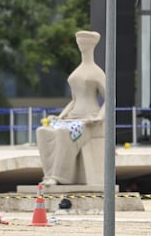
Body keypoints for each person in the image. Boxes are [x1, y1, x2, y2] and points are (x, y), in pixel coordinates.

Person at [36, 30, 105, 186]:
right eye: (79, 42)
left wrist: (99, 117)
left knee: (63, 132)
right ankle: (49, 174)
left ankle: (59, 177)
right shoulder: (77, 71)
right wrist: (60, 116)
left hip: (88, 121)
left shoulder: (97, 72)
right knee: (42, 132)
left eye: (84, 43)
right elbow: (74, 100)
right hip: (71, 118)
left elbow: (110, 99)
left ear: (92, 45)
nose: (81, 45)